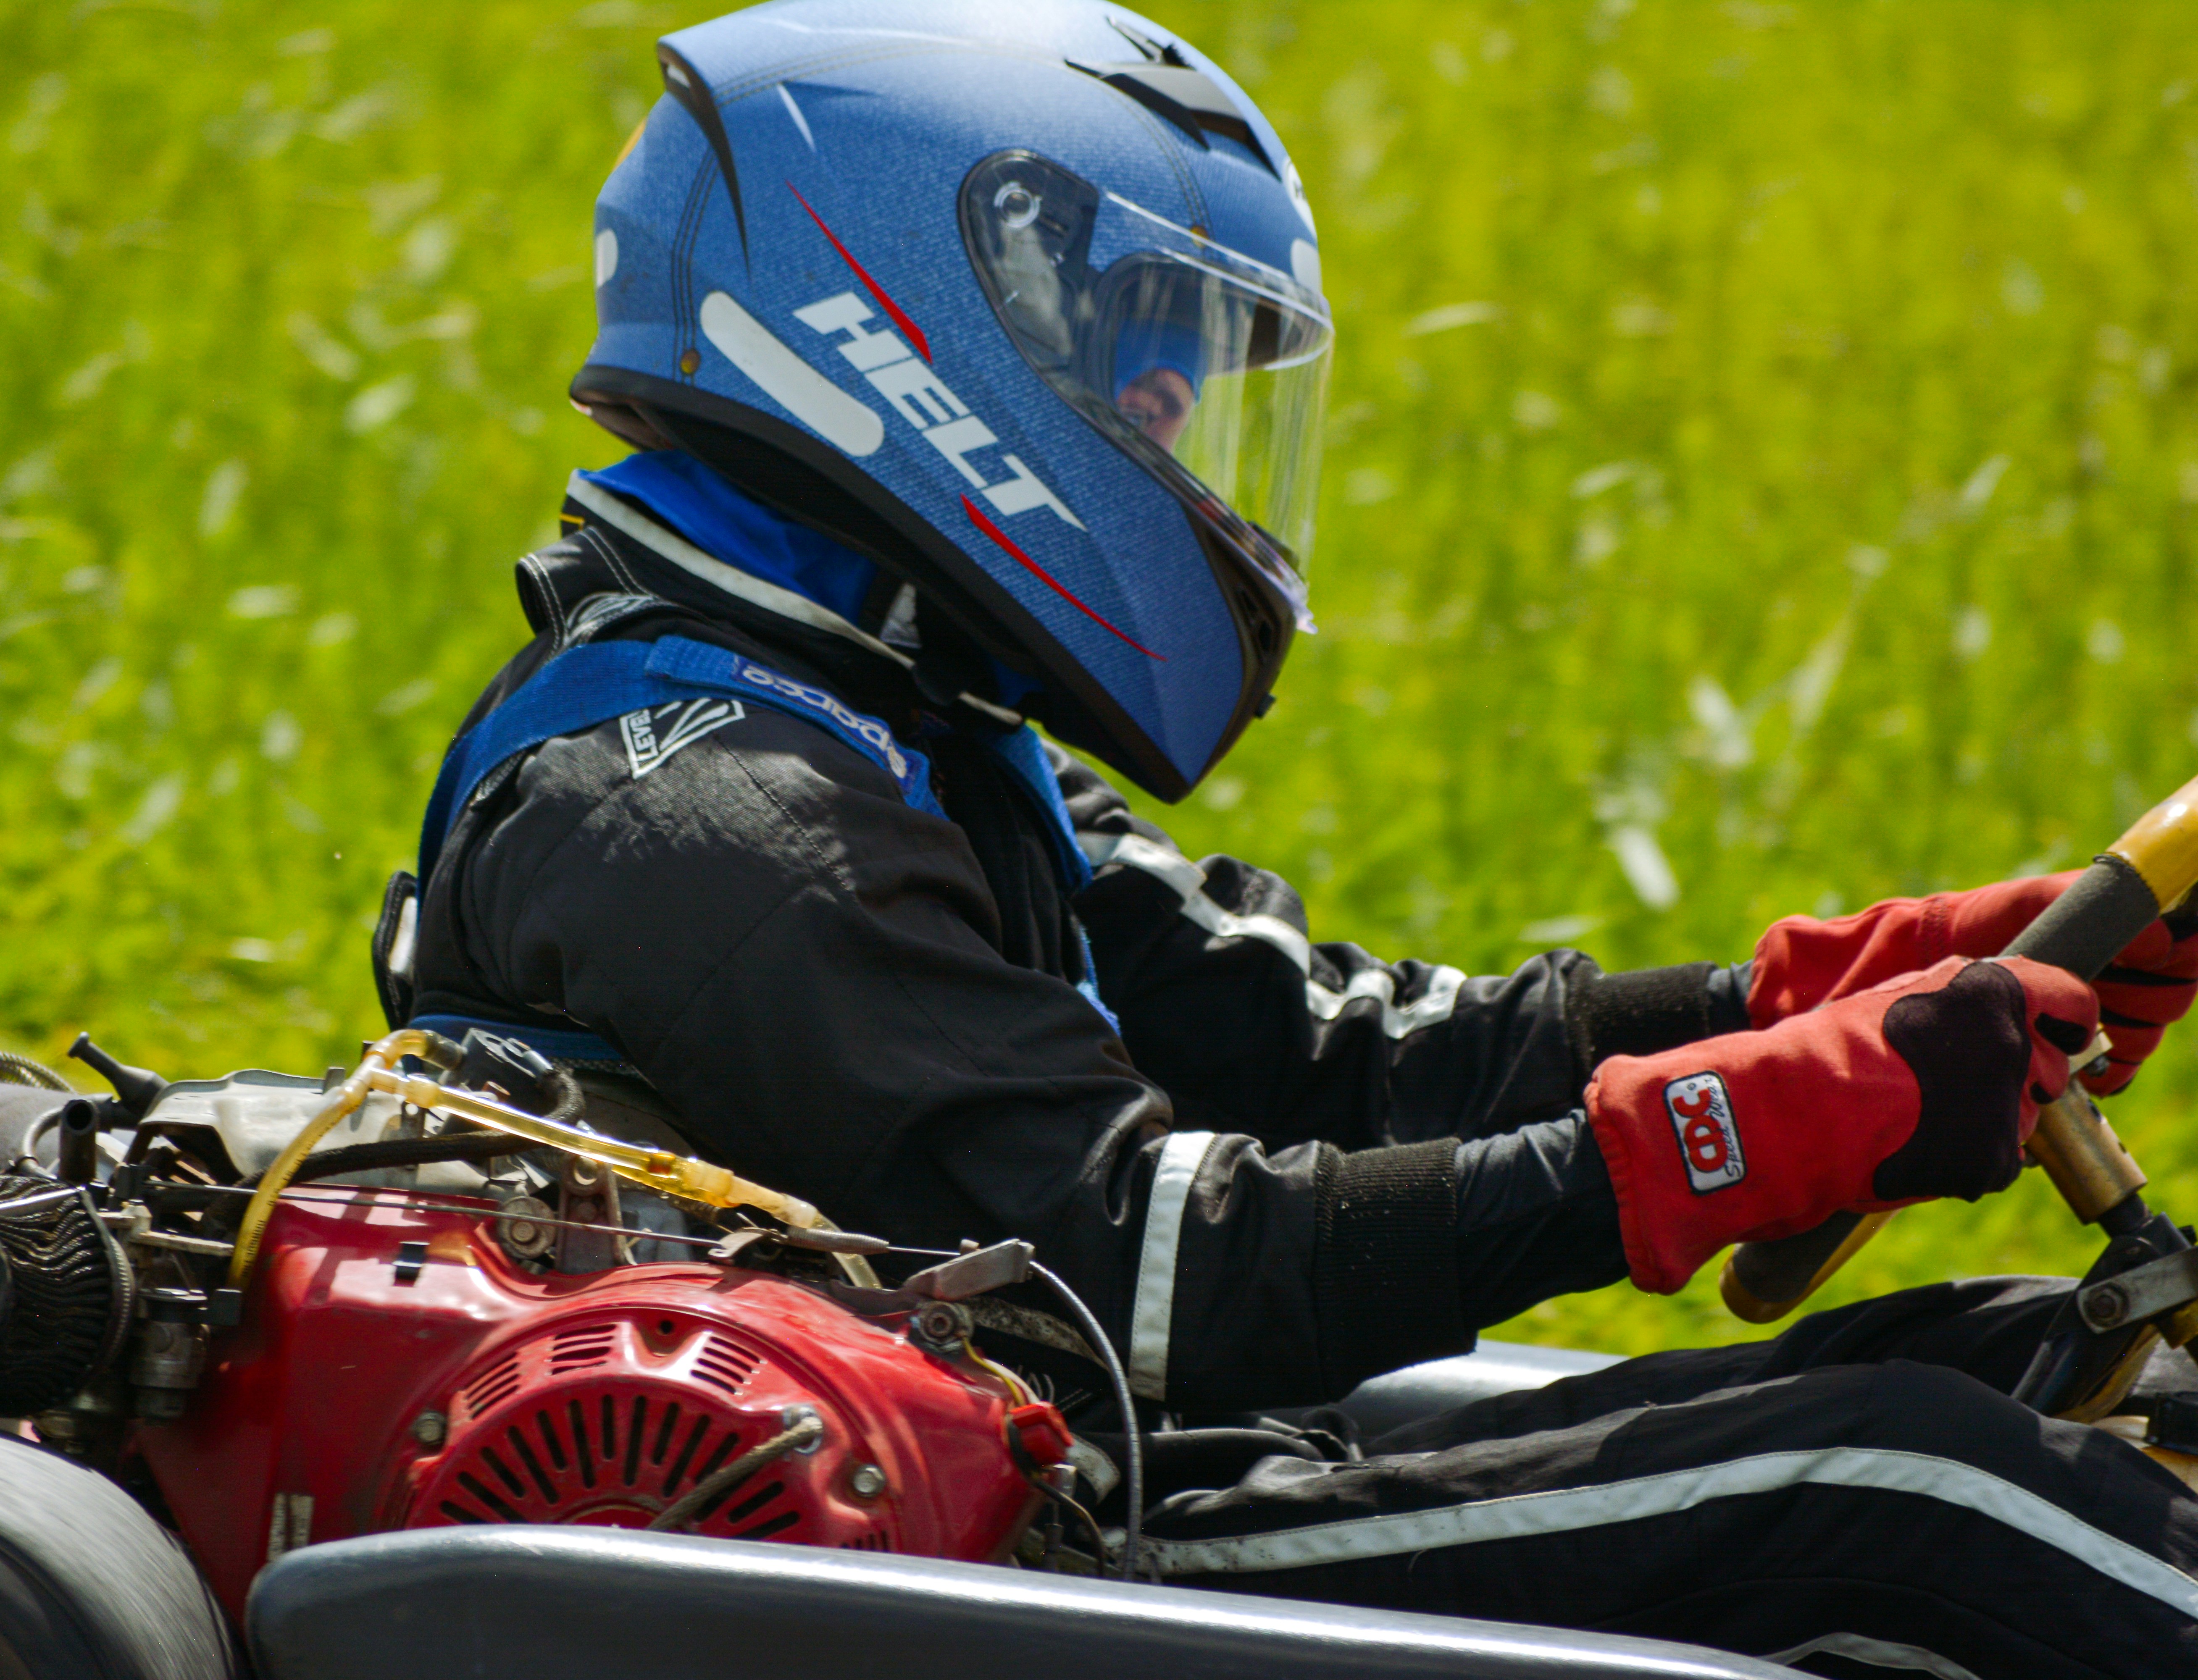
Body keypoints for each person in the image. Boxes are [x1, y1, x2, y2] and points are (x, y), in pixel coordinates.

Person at [384, 4, 2198, 1672]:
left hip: (1093, 1453)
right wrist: (1730, 1131)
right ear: (892, 316)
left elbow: (1332, 1060)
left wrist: (1819, 1000)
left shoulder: (886, 723)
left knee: (2019, 1361)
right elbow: (1148, 1272)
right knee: (1925, 1485)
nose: (1172, 409)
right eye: (1128, 340)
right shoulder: (709, 816)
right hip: (1017, 1548)